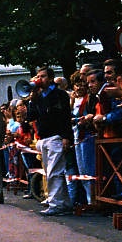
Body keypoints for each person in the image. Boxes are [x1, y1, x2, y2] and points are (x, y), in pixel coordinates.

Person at [25, 66, 75, 216]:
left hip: (56, 136)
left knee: (54, 172)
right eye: (38, 76)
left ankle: (55, 203)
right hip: (44, 138)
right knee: (51, 172)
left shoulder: (60, 95)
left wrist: (66, 136)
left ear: (51, 78)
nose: (40, 79)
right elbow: (30, 117)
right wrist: (32, 100)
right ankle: (64, 202)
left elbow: (65, 117)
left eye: (43, 76)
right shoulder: (39, 97)